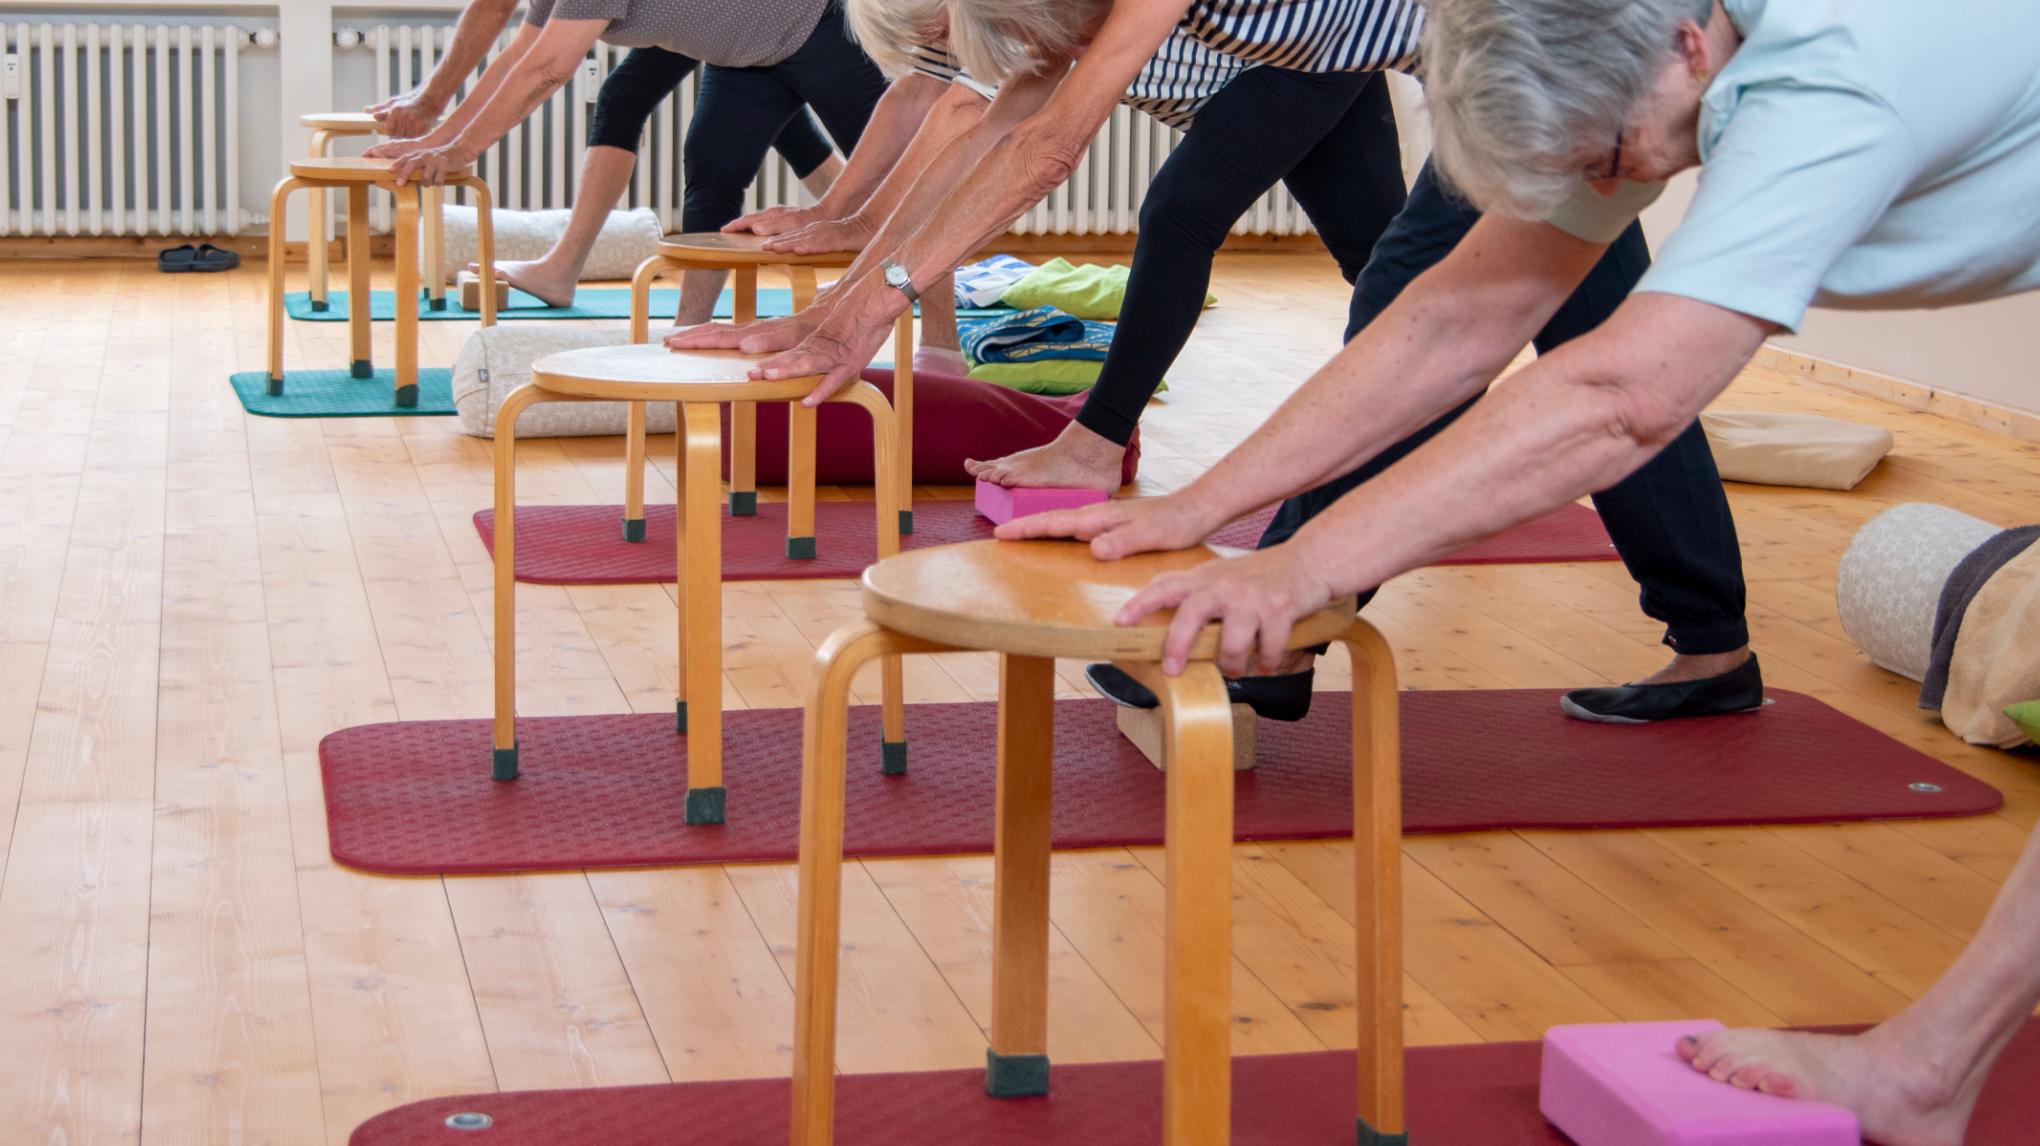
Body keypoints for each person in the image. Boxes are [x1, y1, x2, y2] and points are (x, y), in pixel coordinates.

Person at [1006, 2, 2040, 1141]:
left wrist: (1305, 569)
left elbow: (1623, 398)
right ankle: (1929, 1076)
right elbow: (1463, 313)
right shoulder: (1656, 57)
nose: (1610, 186)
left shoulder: (1835, 77)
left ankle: (1925, 1074)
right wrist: (1202, 507)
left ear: (1686, 48)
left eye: (1608, 156)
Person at [677, 0, 1758, 725]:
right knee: (1565, 331)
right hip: (1511, 92)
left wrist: (871, 306)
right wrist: (845, 299)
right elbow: (1005, 127)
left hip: (1555, 84)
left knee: (1441, 314)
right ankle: (1710, 641)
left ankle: (1271, 641)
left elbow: (1049, 146)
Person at [372, 0, 887, 324]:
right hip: (745, 57)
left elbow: (549, 68)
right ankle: (688, 331)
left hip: (823, 27)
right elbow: (521, 57)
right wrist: (441, 138)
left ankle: (928, 345)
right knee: (709, 168)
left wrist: (460, 150)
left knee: (901, 177)